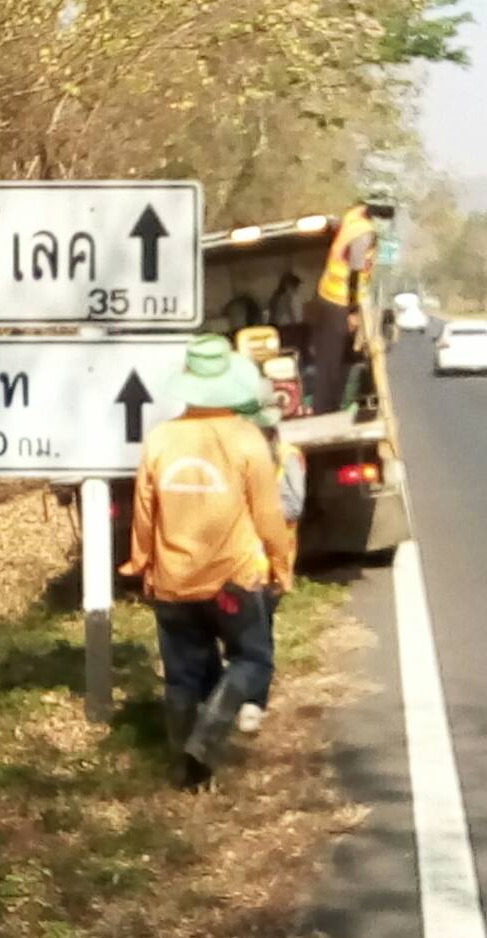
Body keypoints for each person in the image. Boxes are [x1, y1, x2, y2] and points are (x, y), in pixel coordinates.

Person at [120, 335, 294, 790]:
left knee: (183, 677)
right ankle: (210, 731)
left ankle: (189, 774)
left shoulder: (161, 438)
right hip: (233, 580)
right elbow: (268, 515)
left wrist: (140, 563)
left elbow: (144, 511)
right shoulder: (247, 439)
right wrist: (282, 566)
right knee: (253, 660)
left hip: (173, 581)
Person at [234, 384, 306, 735]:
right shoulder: (231, 457)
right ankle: (241, 698)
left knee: (258, 635)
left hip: (267, 566)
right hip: (234, 564)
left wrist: (255, 510)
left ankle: (252, 702)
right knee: (244, 636)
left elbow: (293, 506)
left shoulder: (288, 456)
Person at [310, 202, 383, 414]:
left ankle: (326, 406)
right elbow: (355, 271)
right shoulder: (364, 232)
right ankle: (327, 409)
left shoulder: (351, 220)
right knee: (335, 360)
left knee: (328, 358)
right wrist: (352, 311)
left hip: (327, 295)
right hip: (340, 301)